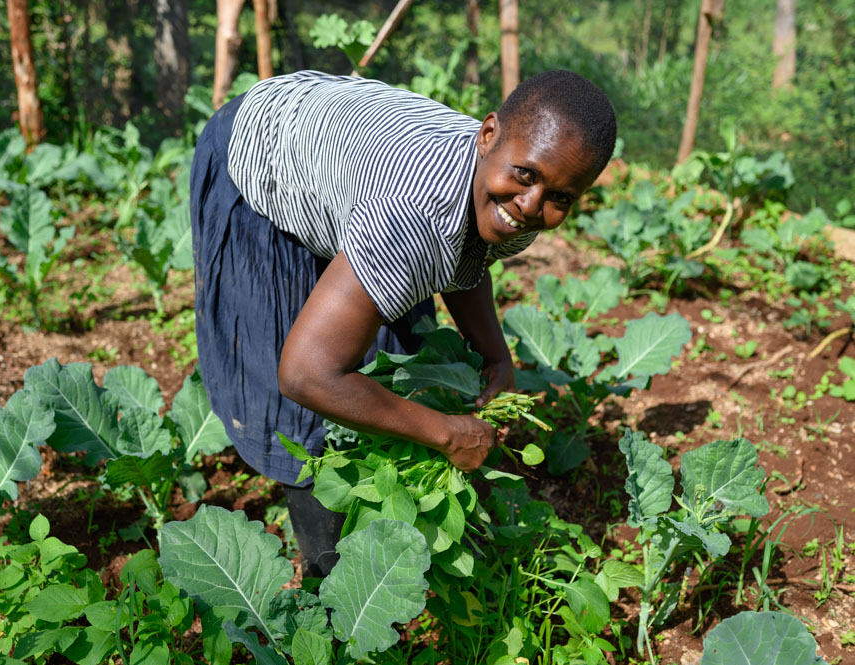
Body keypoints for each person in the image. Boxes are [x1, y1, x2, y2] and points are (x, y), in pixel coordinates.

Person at [189, 69, 616, 577]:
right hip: (262, 152)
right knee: (306, 419)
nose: (531, 206)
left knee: (392, 368)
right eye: (525, 176)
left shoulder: (520, 199)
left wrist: (497, 355)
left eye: (561, 197)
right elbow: (305, 374)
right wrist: (446, 434)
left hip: (347, 159)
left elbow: (470, 257)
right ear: (487, 135)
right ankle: (331, 585)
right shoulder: (413, 212)